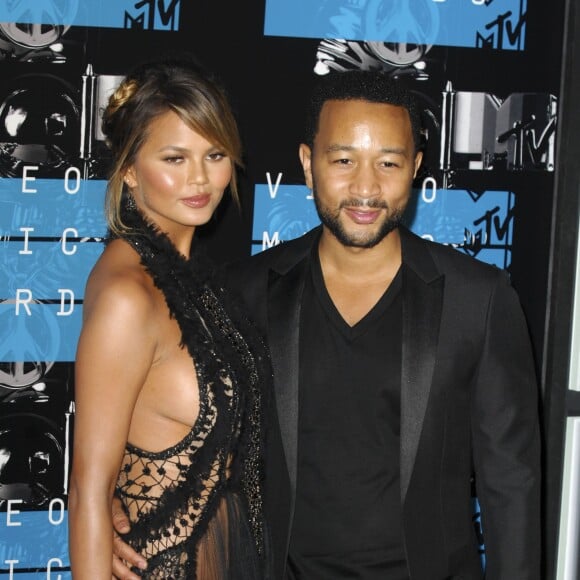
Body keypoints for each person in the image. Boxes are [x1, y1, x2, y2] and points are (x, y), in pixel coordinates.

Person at [112, 70, 541, 579]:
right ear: (308, 166)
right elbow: (178, 418)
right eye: (343, 160)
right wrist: (109, 498)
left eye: (389, 162)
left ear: (417, 168)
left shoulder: (480, 299)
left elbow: (511, 485)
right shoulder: (242, 292)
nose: (366, 187)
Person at [68, 57, 271, 580]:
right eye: (175, 158)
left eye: (215, 154)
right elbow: (89, 488)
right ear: (130, 170)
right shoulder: (126, 294)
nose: (200, 178)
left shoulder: (194, 279)